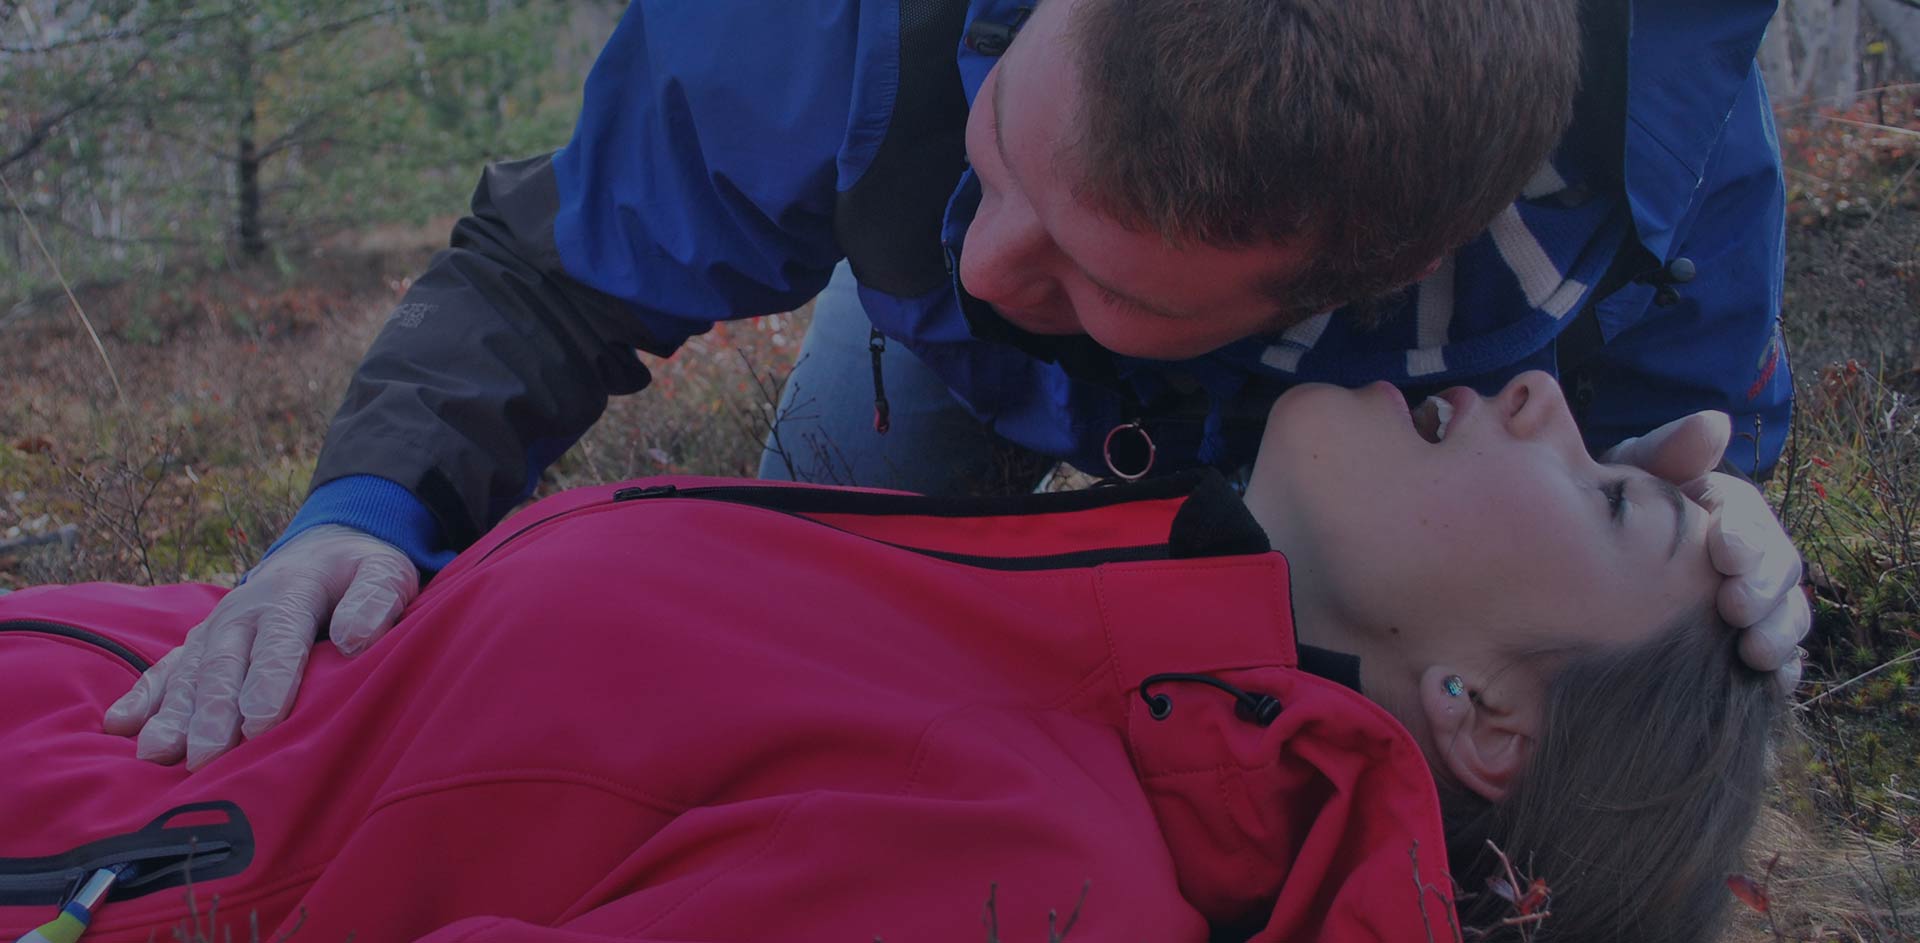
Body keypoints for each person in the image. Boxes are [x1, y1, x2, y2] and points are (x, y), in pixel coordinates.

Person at [107, 0, 1810, 771]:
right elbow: (551, 268)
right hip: (958, 398)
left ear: (1357, 282)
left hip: (1340, 498)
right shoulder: (830, 24)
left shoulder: (1649, 187)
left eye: (1096, 271)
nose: (997, 264)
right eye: (1002, 155)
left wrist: (1728, 524)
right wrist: (363, 509)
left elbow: (1675, 447)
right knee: (822, 623)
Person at [5, 372, 1776, 943]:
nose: (1554, 397)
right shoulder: (1100, 639)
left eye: (1608, 498)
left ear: (1477, 716)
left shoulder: (1014, 881)